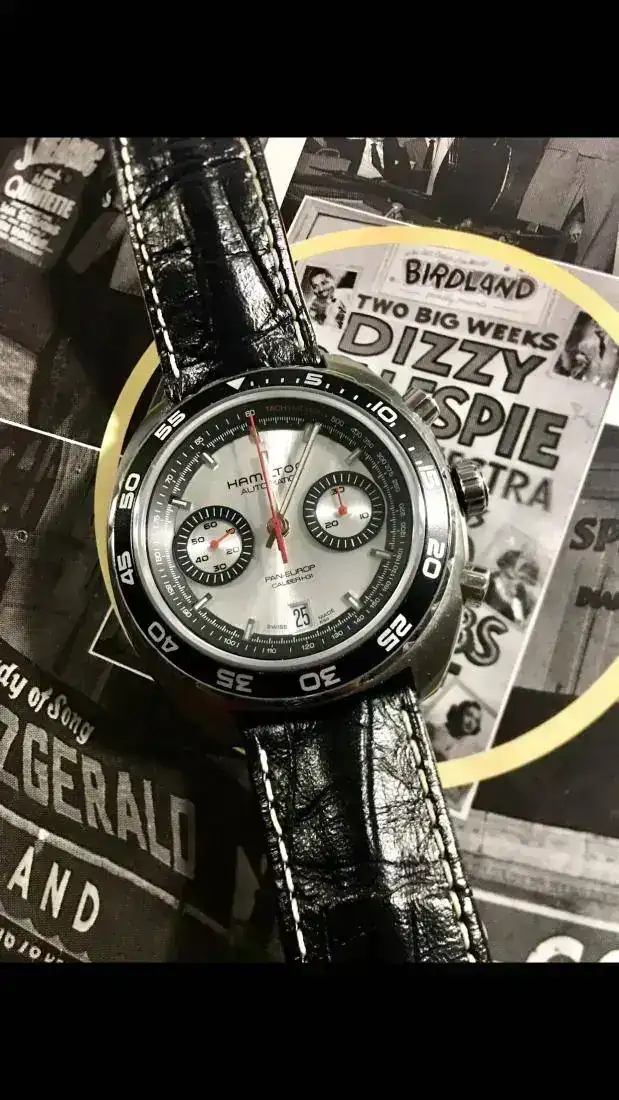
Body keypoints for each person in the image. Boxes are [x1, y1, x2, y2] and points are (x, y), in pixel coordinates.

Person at [486, 548, 539, 624]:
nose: (514, 583)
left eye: (522, 580)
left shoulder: (524, 600)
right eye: (509, 577)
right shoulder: (485, 583)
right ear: (502, 569)